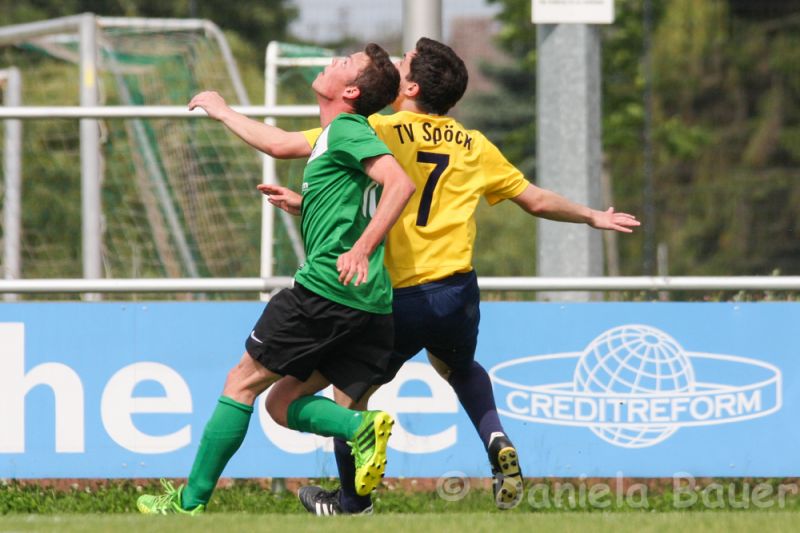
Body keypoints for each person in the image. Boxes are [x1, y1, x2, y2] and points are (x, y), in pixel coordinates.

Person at [189, 38, 640, 515]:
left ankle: (352, 501)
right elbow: (535, 199)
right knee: (459, 368)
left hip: (396, 293)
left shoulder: (377, 127)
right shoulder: (475, 144)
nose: (395, 65)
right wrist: (592, 215)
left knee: (348, 397)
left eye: (403, 64)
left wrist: (223, 111)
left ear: (411, 87)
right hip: (456, 290)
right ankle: (495, 437)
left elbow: (285, 146)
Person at [136, 43, 415, 515]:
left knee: (241, 383)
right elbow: (280, 144)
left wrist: (362, 247)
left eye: (346, 63)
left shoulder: (346, 129)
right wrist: (225, 113)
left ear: (350, 91)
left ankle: (188, 503)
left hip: (326, 292)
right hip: (370, 303)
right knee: (281, 404)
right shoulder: (339, 134)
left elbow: (400, 184)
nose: (334, 61)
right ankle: (357, 432)